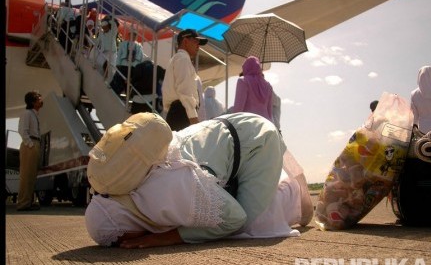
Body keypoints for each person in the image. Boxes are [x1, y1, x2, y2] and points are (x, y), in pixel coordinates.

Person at [85, 112, 313, 248]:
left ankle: (300, 201)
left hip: (257, 140)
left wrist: (167, 237)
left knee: (251, 225)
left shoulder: (173, 185)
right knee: (212, 207)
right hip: (228, 127)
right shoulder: (125, 183)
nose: (121, 243)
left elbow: (235, 219)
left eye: (118, 238)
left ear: (122, 224)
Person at [161, 29, 208, 131]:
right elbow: (185, 91)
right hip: (182, 113)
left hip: (178, 111)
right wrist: (193, 118)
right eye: (196, 42)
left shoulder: (178, 59)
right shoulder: (182, 59)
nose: (198, 46)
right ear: (185, 41)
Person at [17, 91, 43, 211]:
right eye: (39, 98)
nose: (41, 100)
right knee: (26, 175)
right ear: (33, 102)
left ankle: (28, 202)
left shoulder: (35, 114)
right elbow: (23, 130)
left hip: (35, 143)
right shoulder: (27, 113)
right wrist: (31, 145)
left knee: (32, 176)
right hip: (30, 145)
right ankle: (23, 204)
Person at [232, 56, 273, 122]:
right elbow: (270, 112)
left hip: (249, 123)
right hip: (265, 123)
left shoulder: (243, 81)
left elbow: (238, 108)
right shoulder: (268, 85)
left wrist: (232, 123)